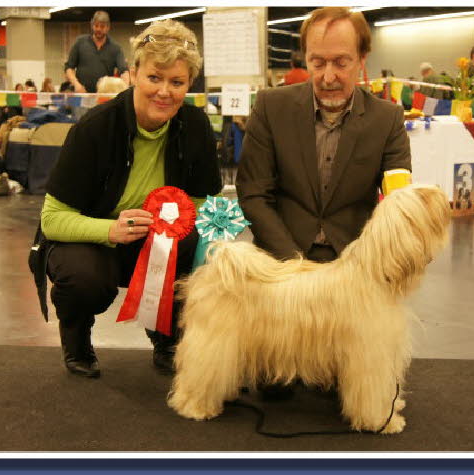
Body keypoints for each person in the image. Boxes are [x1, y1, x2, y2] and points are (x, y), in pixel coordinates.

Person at [29, 19, 222, 379]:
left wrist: (178, 226)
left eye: (176, 82)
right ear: (133, 73)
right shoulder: (94, 128)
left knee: (194, 244)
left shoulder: (196, 127)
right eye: (154, 78)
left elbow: (203, 205)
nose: (164, 92)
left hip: (155, 242)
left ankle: (168, 337)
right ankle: (76, 337)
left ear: (189, 85)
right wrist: (110, 230)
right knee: (83, 277)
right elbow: (51, 220)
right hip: (93, 240)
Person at [236, 6, 411, 399]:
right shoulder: (270, 106)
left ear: (362, 60)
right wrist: (292, 266)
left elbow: (399, 201)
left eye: (341, 62)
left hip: (352, 272)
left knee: (351, 385)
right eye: (318, 62)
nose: (328, 76)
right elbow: (254, 193)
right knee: (275, 390)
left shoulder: (388, 118)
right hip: (282, 268)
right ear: (305, 59)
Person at [64, 11, 129, 93]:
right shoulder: (80, 42)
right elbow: (69, 67)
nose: (98, 29)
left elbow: (124, 71)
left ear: (108, 27)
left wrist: (126, 89)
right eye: (96, 26)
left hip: (104, 95)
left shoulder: (116, 48)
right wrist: (76, 84)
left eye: (102, 26)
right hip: (82, 94)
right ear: (92, 25)